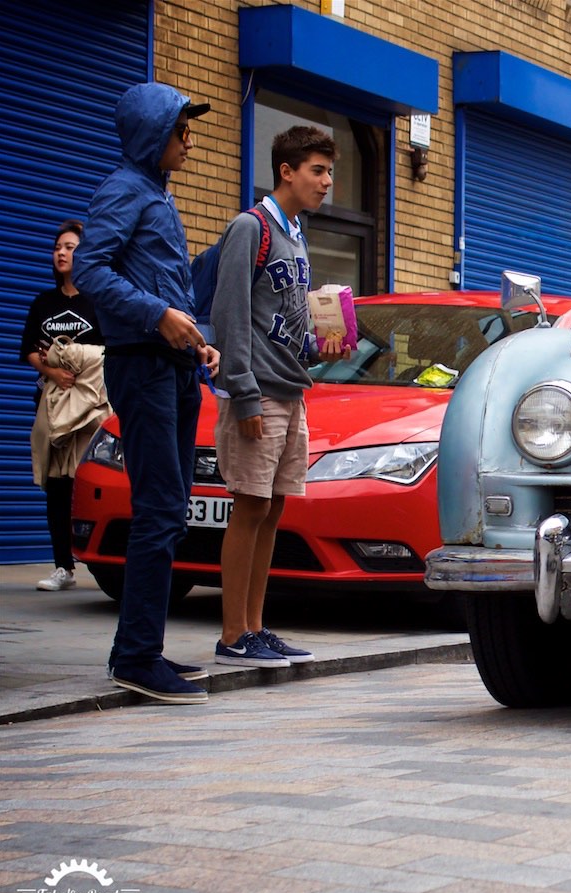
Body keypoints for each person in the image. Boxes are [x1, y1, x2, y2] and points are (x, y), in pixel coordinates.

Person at [73, 82, 219, 705]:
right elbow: (89, 270)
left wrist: (194, 339)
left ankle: (145, 649)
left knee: (171, 506)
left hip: (173, 367)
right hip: (143, 368)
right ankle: (134, 656)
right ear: (153, 134)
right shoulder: (124, 189)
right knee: (159, 509)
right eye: (182, 129)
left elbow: (165, 283)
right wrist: (158, 316)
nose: (190, 140)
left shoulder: (155, 194)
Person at [211, 125, 344, 668]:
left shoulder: (296, 234)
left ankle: (256, 627)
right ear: (286, 171)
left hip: (293, 392)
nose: (327, 182)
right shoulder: (251, 227)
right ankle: (230, 636)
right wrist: (242, 395)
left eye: (330, 171)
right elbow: (230, 314)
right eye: (317, 170)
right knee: (250, 506)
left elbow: (282, 321)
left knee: (273, 508)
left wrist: (320, 346)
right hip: (259, 393)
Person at [20, 220, 106, 591]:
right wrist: (52, 371)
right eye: (57, 247)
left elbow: (106, 353)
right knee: (55, 485)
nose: (61, 252)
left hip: (89, 406)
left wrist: (75, 363)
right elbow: (29, 351)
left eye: (69, 247)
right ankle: (63, 566)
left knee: (86, 481)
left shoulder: (98, 302)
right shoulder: (44, 303)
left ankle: (106, 559)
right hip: (53, 404)